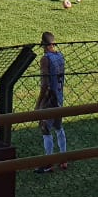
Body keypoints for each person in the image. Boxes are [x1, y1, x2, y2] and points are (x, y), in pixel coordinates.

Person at [35, 31, 68, 173]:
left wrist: (39, 103)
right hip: (59, 96)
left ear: (43, 44)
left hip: (49, 98)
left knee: (45, 128)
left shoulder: (45, 59)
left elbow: (45, 84)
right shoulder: (60, 56)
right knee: (59, 127)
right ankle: (63, 158)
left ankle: (48, 163)